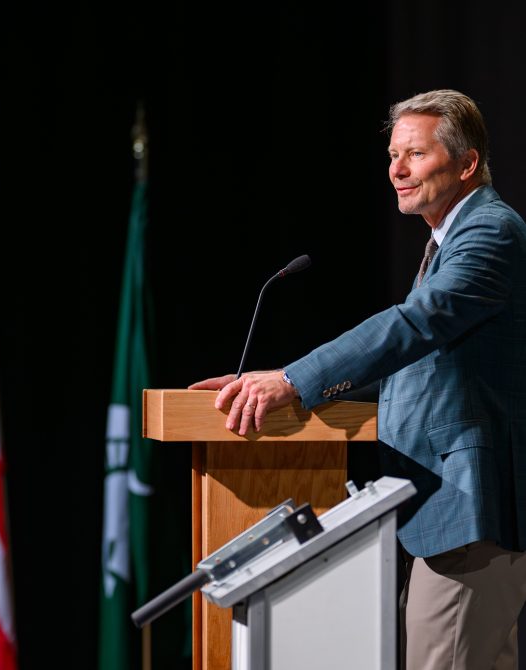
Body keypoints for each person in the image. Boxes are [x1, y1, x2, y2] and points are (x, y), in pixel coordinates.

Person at [189, 89, 526, 669]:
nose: (397, 170)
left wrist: (295, 380)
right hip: (450, 511)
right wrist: (282, 383)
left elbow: (415, 324)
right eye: (393, 155)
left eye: (415, 154)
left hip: (471, 505)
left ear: (467, 162)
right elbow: (419, 365)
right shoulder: (451, 238)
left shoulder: (489, 231)